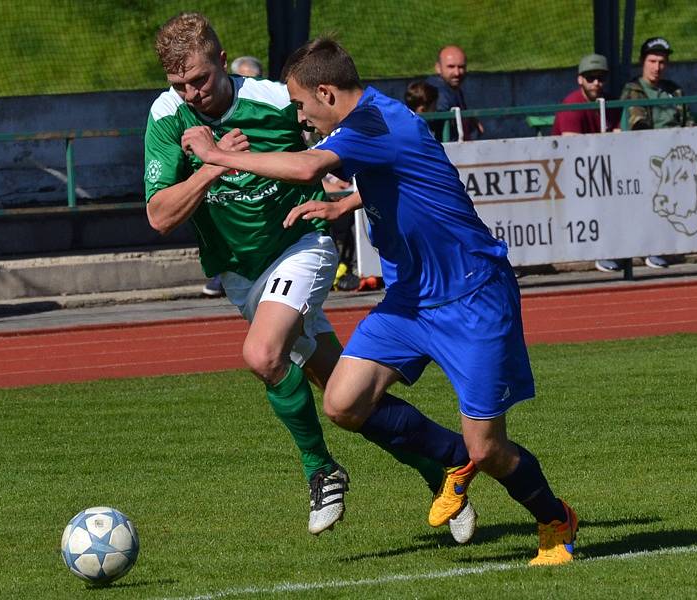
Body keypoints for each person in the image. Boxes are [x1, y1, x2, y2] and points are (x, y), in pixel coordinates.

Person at [182, 37, 577, 566]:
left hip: (472, 295)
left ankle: (555, 519)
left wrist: (216, 157)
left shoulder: (372, 124)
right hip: (411, 299)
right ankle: (452, 459)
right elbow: (397, 174)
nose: (301, 117)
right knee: (343, 402)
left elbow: (305, 168)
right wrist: (343, 204)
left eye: (301, 105)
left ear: (326, 92)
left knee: (492, 449)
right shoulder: (373, 121)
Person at [145, 13, 477, 540]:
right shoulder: (167, 117)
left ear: (223, 62)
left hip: (299, 247)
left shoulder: (280, 101)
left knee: (262, 355)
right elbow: (160, 215)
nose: (192, 94)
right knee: (345, 393)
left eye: (201, 80)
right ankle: (441, 472)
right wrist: (212, 166)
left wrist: (343, 200)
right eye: (179, 84)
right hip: (239, 272)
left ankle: (320, 470)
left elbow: (355, 144)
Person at [617, 36, 694, 270]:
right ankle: (643, 250)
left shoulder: (674, 91)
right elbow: (638, 125)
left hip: (678, 162)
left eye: (662, 62)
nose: (657, 67)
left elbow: (688, 123)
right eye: (652, 61)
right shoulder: (634, 90)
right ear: (643, 62)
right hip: (645, 160)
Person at [550, 54, 623, 274]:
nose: (596, 83)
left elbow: (620, 139)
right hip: (569, 174)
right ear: (580, 79)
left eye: (600, 78)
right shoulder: (571, 105)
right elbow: (573, 149)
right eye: (590, 78)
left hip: (602, 169)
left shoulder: (609, 102)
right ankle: (599, 250)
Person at [201, 54, 265, 297]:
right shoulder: (216, 117)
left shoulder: (271, 112)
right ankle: (224, 270)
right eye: (246, 80)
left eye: (257, 79)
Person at [426, 45, 483, 141]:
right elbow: (439, 122)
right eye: (451, 67)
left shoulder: (452, 88)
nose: (457, 73)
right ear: (438, 68)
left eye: (461, 67)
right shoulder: (437, 91)